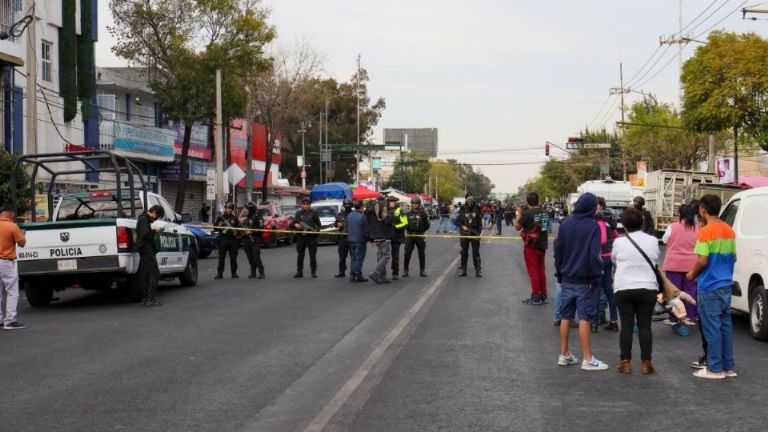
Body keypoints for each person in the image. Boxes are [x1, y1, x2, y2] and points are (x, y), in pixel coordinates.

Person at [553, 192, 608, 371]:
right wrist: (596, 277)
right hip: (585, 279)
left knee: (565, 316)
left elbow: (558, 250)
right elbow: (594, 255)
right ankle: (588, 358)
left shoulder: (565, 223)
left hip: (567, 277)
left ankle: (564, 354)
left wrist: (559, 273)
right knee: (585, 317)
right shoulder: (592, 227)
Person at [686, 194, 737, 380]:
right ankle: (728, 367)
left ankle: (715, 368)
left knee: (712, 328)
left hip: (709, 286)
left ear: (703, 210)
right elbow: (734, 258)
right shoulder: (730, 230)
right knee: (725, 327)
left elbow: (702, 260)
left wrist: (692, 274)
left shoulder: (706, 232)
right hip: (726, 284)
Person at [611, 207, 660, 375]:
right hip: (648, 288)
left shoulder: (619, 242)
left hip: (623, 287)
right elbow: (655, 258)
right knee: (645, 325)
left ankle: (625, 362)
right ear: (642, 223)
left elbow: (614, 260)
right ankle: (646, 362)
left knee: (626, 325)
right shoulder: (653, 240)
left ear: (623, 225)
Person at [662, 204, 699, 325]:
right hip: (691, 265)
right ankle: (691, 317)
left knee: (673, 292)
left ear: (680, 214)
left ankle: (675, 317)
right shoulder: (698, 228)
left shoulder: (672, 226)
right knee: (691, 291)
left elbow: (664, 240)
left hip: (673, 263)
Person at [515, 192, 550, 305]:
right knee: (541, 270)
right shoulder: (544, 213)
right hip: (542, 244)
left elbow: (517, 227)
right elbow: (545, 227)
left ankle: (535, 295)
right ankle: (543, 294)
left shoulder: (527, 213)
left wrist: (519, 214)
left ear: (528, 202)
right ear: (538, 200)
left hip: (531, 246)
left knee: (533, 271)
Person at [0, 204, 27, 329]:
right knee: (12, 292)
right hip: (6, 261)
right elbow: (21, 243)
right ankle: (10, 321)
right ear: (10, 212)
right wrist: (22, 234)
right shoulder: (12, 226)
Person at [595, 197, 619, 332]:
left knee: (596, 289)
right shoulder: (611, 223)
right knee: (609, 290)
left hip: (600, 258)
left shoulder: (599, 222)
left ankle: (594, 321)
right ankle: (614, 319)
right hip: (610, 258)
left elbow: (603, 240)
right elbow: (617, 237)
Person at [136, 205, 165, 306]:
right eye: (156, 216)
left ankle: (145, 298)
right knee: (155, 273)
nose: (155, 219)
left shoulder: (143, 219)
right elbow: (145, 234)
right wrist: (155, 231)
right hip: (146, 250)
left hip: (144, 250)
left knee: (145, 274)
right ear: (154, 212)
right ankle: (150, 298)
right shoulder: (144, 219)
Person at [366, 196, 394, 284]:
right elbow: (388, 221)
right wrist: (390, 213)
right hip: (384, 236)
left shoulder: (371, 211)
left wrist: (370, 237)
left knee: (380, 257)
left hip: (375, 237)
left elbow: (367, 222)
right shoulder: (385, 210)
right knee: (386, 256)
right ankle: (376, 272)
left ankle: (382, 277)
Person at [292, 197, 321, 278]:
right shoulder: (298, 213)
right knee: (300, 255)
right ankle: (299, 272)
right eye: (303, 204)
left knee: (312, 255)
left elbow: (319, 225)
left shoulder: (314, 213)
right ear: (301, 205)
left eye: (307, 204)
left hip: (311, 237)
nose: (305, 205)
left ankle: (313, 272)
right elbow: (293, 223)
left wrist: (316, 232)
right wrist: (295, 225)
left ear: (309, 205)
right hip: (301, 237)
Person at [403, 196, 431, 277]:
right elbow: (405, 224)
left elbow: (427, 225)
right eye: (413, 204)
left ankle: (422, 271)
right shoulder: (408, 214)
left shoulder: (423, 214)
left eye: (416, 204)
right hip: (410, 235)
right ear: (411, 204)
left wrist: (421, 230)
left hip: (420, 236)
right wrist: (409, 230)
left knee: (421, 254)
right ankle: (405, 271)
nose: (415, 205)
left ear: (419, 204)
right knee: (407, 254)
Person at [214, 202, 241, 279]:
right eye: (227, 208)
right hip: (223, 239)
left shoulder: (235, 218)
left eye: (230, 208)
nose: (228, 210)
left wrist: (237, 233)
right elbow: (214, 228)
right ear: (225, 209)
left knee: (233, 258)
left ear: (232, 210)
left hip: (232, 240)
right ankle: (219, 273)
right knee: (221, 258)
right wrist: (218, 226)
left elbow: (240, 229)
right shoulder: (220, 218)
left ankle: (234, 273)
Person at [457, 196, 482, 277]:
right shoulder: (463, 209)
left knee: (476, 253)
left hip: (474, 233)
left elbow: (480, 224)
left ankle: (478, 270)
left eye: (471, 203)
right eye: (468, 203)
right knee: (464, 252)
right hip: (464, 234)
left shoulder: (476, 210)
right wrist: (462, 226)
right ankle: (464, 270)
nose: (470, 205)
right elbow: (458, 220)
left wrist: (478, 233)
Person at [241, 201, 265, 279]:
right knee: (250, 257)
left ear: (251, 209)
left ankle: (261, 272)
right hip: (247, 240)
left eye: (246, 209)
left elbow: (261, 230)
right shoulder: (247, 218)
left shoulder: (258, 217)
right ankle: (253, 272)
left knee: (256, 257)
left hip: (255, 240)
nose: (245, 210)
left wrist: (251, 232)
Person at [346, 200, 369, 282]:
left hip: (350, 239)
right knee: (359, 258)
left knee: (353, 258)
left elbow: (347, 228)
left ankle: (352, 275)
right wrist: (368, 238)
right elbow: (366, 230)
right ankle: (358, 274)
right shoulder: (363, 217)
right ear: (361, 207)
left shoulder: (349, 215)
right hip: (360, 240)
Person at [334, 199, 354, 278]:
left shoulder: (353, 214)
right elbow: (335, 224)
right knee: (342, 256)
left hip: (352, 237)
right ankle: (341, 271)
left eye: (349, 204)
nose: (347, 206)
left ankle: (353, 271)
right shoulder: (340, 214)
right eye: (346, 204)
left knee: (353, 256)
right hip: (342, 238)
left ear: (351, 205)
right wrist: (337, 223)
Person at [390, 196, 407, 280]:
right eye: (390, 201)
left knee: (395, 256)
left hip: (396, 237)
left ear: (396, 202)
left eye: (393, 201)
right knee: (383, 256)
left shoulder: (400, 211)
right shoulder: (386, 210)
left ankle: (395, 272)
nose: (391, 203)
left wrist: (395, 226)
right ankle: (381, 272)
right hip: (386, 236)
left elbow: (405, 223)